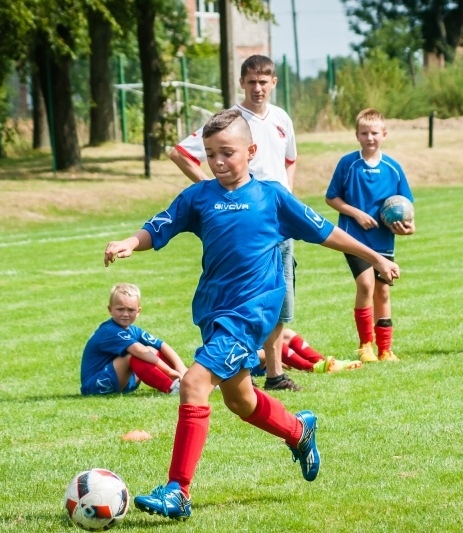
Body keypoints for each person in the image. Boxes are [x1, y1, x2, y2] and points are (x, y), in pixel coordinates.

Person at [104, 109, 399, 520]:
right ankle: (299, 431)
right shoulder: (199, 196)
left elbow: (326, 231)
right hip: (215, 312)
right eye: (211, 154)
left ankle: (178, 491)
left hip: (251, 313)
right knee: (240, 400)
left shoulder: (272, 197)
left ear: (252, 150)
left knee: (193, 383)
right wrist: (129, 243)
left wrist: (374, 257)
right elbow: (160, 226)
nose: (219, 162)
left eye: (227, 152)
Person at [169, 54, 301, 392]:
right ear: (241, 83)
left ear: (274, 83)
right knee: (247, 298)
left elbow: (290, 160)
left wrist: (287, 195)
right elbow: (181, 153)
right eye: (251, 81)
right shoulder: (228, 122)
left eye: (264, 81)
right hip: (244, 221)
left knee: (279, 299)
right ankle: (268, 371)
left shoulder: (282, 119)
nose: (258, 88)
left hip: (277, 220)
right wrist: (209, 189)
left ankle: (269, 371)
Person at [325, 108, 415, 363]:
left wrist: (410, 227)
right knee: (365, 285)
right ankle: (365, 346)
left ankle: (385, 350)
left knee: (382, 292)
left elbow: (406, 206)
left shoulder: (393, 168)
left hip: (383, 240)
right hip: (353, 236)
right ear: (357, 135)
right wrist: (357, 214)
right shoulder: (348, 164)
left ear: (384, 134)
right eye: (364, 133)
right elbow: (332, 198)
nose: (370, 138)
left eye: (374, 133)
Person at [80, 283, 188, 396]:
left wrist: (179, 366)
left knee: (151, 349)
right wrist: (169, 371)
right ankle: (172, 388)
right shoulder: (109, 331)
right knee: (134, 354)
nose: (125, 314)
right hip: (95, 387)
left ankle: (186, 380)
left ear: (138, 311)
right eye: (120, 309)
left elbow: (161, 345)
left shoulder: (133, 330)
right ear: (110, 309)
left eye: (131, 310)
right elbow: (139, 351)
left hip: (125, 383)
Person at [250, 328, 363, 374]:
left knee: (286, 334)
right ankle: (311, 367)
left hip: (256, 351)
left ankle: (323, 362)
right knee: (270, 342)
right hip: (247, 361)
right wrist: (276, 359)